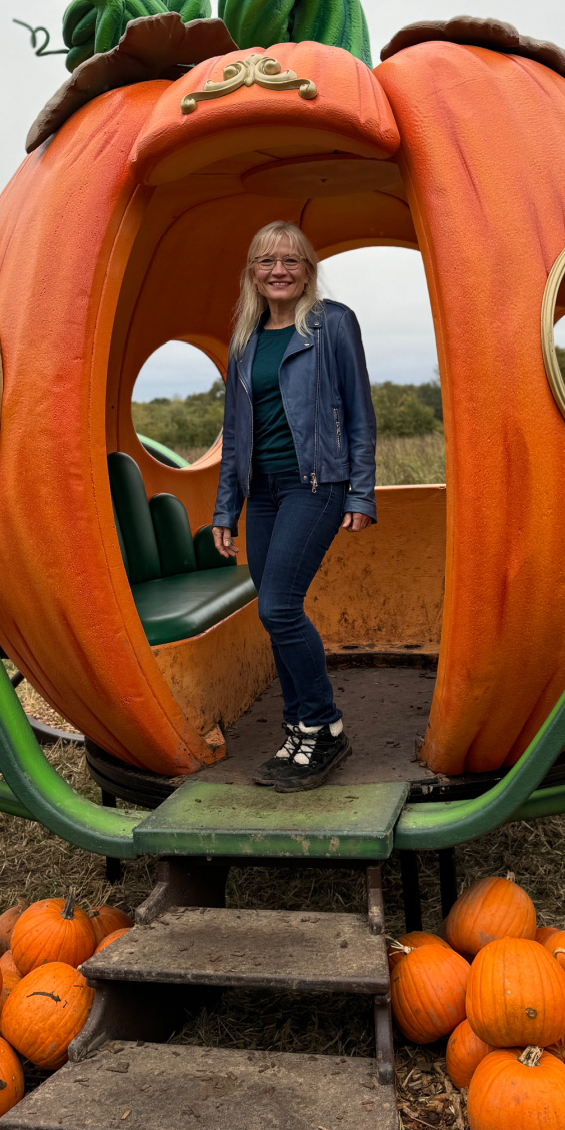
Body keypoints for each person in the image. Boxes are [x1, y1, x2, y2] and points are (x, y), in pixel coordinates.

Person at [212, 220, 377, 792]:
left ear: (308, 269)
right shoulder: (245, 339)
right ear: (252, 274)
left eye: (291, 261)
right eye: (266, 261)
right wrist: (224, 509)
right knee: (274, 613)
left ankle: (323, 725)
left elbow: (358, 411)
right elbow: (234, 433)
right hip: (263, 492)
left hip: (317, 484)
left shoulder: (332, 323)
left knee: (279, 608)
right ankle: (298, 728)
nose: (278, 270)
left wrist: (360, 490)